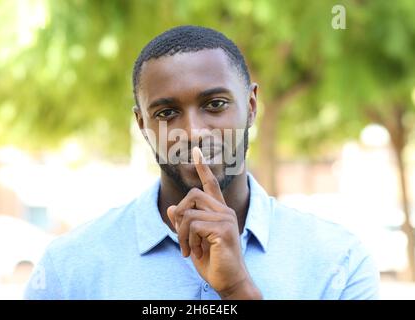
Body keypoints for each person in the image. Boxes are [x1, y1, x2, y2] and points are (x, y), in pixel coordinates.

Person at [24, 25, 380, 300]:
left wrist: (238, 289)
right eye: (166, 112)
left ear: (252, 105)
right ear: (142, 125)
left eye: (215, 105)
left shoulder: (338, 262)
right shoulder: (70, 267)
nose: (193, 132)